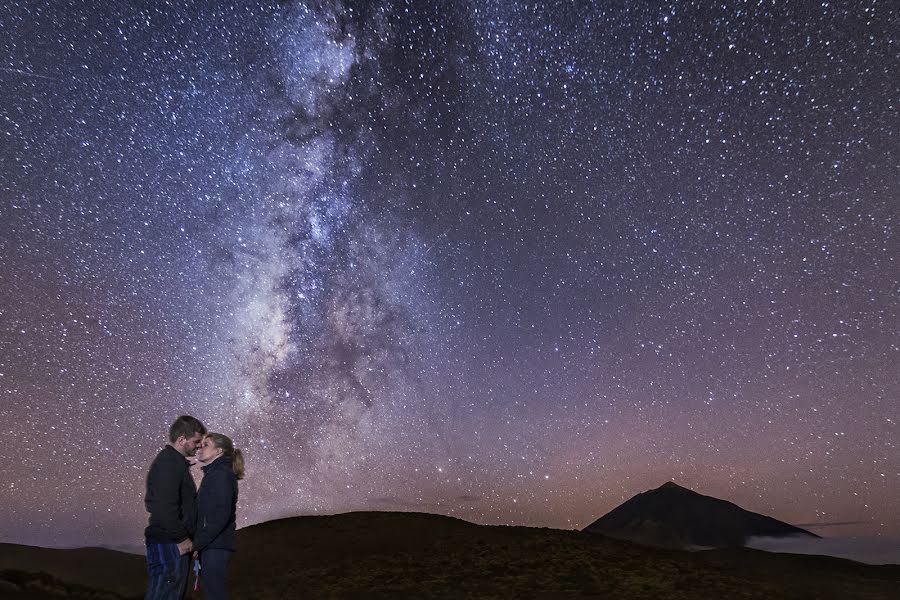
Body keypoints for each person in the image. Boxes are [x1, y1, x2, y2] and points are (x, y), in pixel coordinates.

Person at [144, 415, 206, 600]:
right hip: (170, 542)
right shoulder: (169, 463)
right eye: (196, 441)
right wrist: (181, 538)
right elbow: (161, 505)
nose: (199, 446)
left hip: (170, 541)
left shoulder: (175, 463)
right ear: (181, 440)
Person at [193, 432, 244, 600]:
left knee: (215, 595)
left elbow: (220, 516)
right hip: (212, 544)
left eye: (206, 444)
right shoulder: (215, 474)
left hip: (215, 545)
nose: (200, 447)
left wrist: (197, 544)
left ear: (219, 451)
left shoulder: (221, 474)